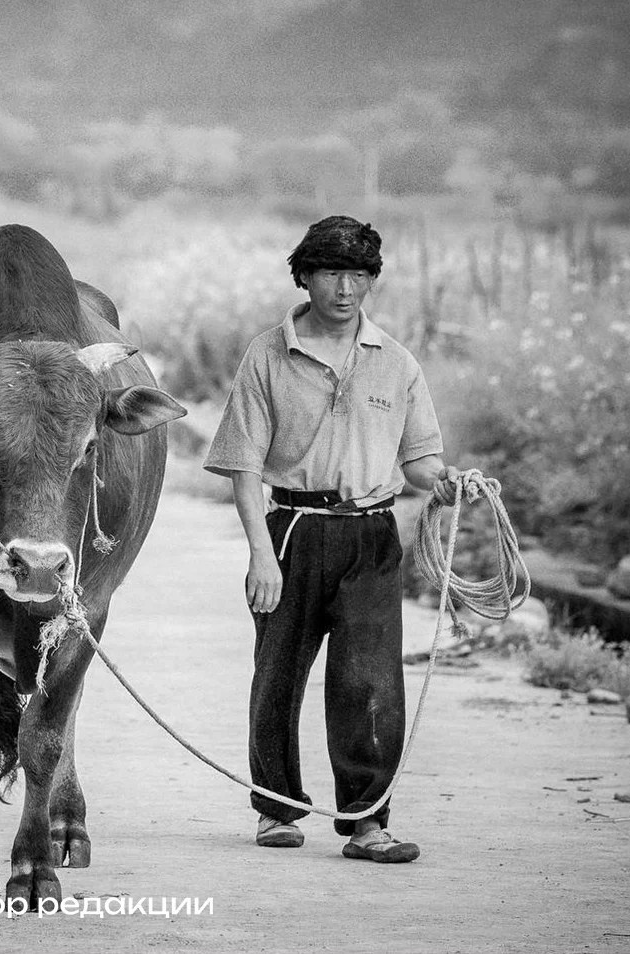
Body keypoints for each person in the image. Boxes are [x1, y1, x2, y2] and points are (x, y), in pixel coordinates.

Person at [202, 215, 461, 863]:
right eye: (329, 273)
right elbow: (244, 465)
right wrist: (260, 552)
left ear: (371, 281)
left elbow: (420, 462)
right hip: (291, 529)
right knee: (278, 674)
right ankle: (275, 811)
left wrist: (450, 483)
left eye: (358, 275)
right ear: (304, 277)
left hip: (371, 534)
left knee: (368, 681)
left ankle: (368, 823)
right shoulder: (268, 353)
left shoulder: (396, 362)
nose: (344, 288)